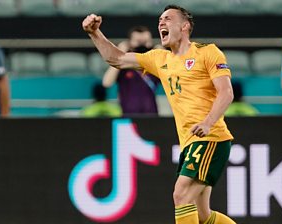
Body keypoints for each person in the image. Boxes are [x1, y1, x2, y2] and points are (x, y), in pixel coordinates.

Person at [82, 4, 236, 224]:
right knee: (203, 215)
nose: (161, 22)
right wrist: (94, 33)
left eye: (168, 19)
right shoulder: (159, 59)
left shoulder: (207, 52)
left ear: (185, 26)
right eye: (160, 20)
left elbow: (226, 92)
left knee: (181, 195)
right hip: (190, 143)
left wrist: (208, 122)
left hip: (211, 138)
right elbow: (117, 59)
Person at [102, 26, 159, 116]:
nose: (142, 46)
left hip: (151, 117)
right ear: (129, 44)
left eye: (145, 42)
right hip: (127, 118)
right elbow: (106, 83)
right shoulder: (124, 64)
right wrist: (119, 55)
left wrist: (162, 55)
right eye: (138, 42)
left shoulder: (154, 63)